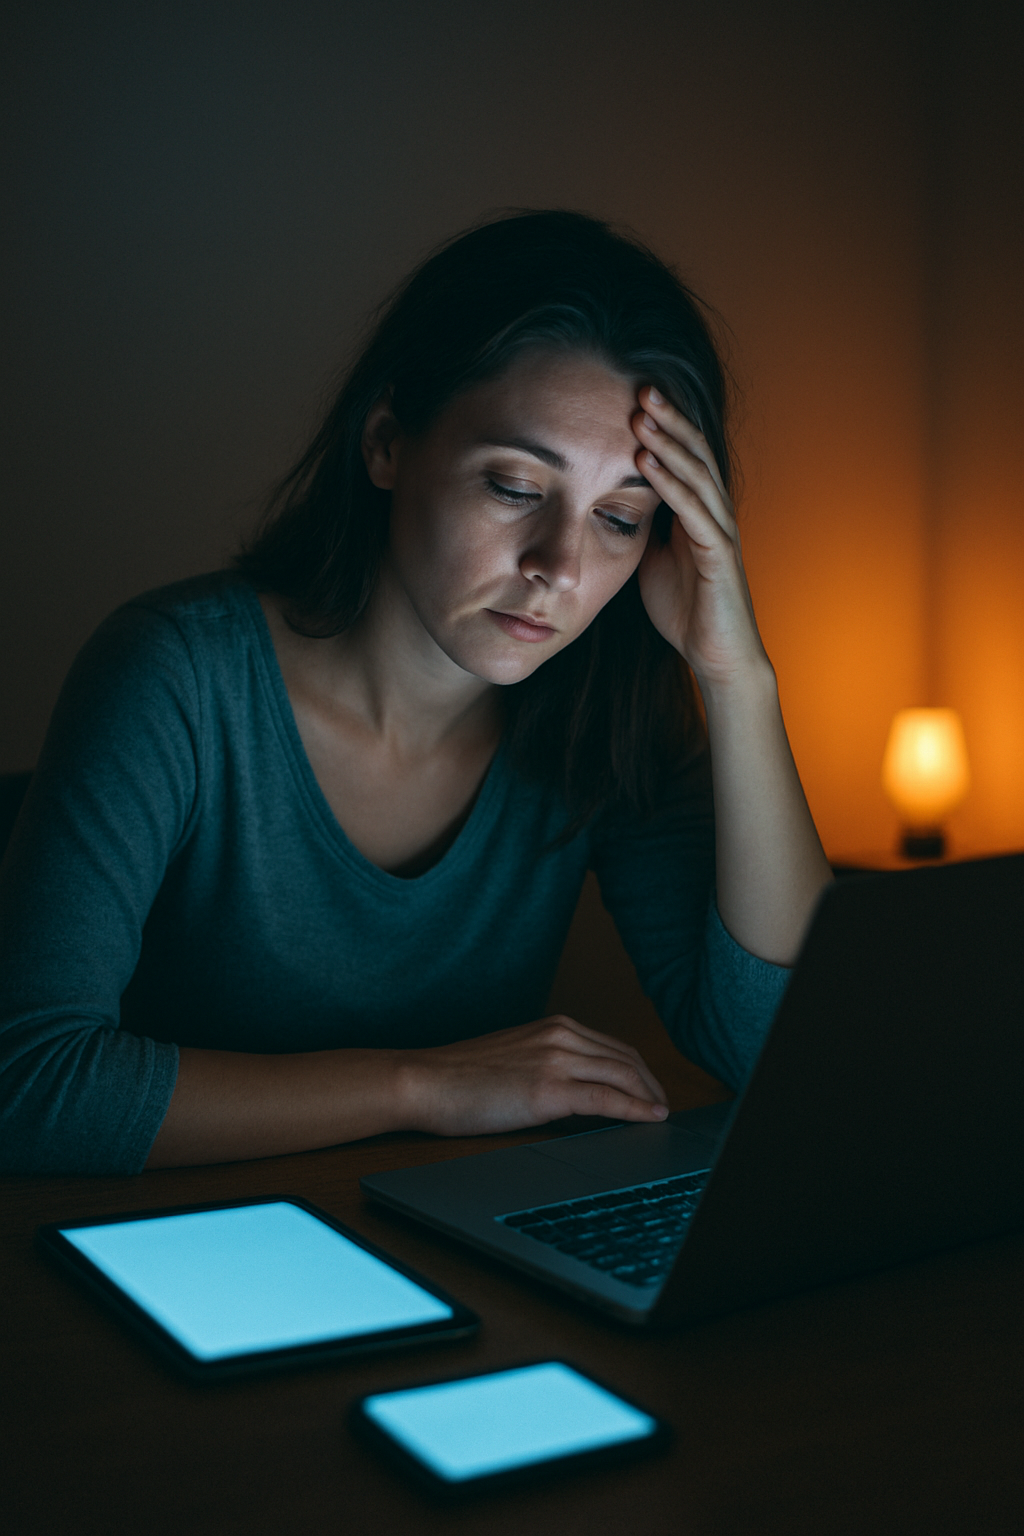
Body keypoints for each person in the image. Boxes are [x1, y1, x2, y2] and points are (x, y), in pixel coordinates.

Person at [0, 210, 833, 1176]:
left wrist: (738, 676)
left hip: (455, 1261)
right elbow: (32, 1086)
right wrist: (425, 1085)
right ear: (389, 442)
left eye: (618, 518)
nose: (560, 568)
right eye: (516, 487)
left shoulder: (608, 719)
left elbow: (781, 1056)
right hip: (161, 1257)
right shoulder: (176, 676)